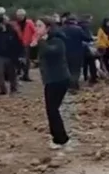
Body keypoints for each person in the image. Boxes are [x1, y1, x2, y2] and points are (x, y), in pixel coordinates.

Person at [34, 17, 71, 149]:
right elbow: (34, 56)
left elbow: (51, 52)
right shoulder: (45, 41)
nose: (36, 28)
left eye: (39, 26)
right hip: (50, 79)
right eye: (36, 26)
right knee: (51, 109)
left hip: (59, 79)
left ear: (48, 28)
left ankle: (61, 139)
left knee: (52, 109)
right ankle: (58, 137)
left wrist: (41, 42)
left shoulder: (58, 39)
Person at [0, 14, 23, 95]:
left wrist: (20, 55)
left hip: (10, 56)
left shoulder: (12, 31)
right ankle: (2, 90)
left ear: (2, 24)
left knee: (12, 73)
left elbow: (18, 43)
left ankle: (14, 88)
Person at [60, 15, 88, 91]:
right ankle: (74, 85)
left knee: (67, 68)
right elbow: (87, 38)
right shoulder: (78, 29)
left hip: (65, 52)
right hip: (77, 52)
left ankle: (68, 85)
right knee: (76, 70)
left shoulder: (61, 29)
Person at [11, 8, 37, 82]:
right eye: (18, 15)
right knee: (17, 59)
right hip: (17, 44)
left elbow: (34, 31)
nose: (19, 17)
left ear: (24, 15)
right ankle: (19, 72)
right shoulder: (14, 24)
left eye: (21, 15)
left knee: (26, 59)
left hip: (26, 43)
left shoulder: (29, 22)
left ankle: (26, 75)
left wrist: (33, 40)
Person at [78, 15, 98, 85]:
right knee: (92, 64)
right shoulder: (86, 27)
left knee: (85, 64)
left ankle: (85, 77)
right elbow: (88, 37)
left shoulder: (79, 27)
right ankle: (93, 78)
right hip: (88, 48)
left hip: (81, 48)